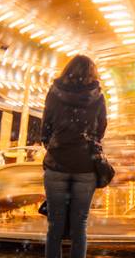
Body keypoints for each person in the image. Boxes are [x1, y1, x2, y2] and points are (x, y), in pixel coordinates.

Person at [41, 55, 107, 258]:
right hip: (85, 166)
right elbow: (101, 127)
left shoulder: (54, 93)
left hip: (56, 164)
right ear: (92, 73)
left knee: (55, 226)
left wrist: (55, 146)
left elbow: (46, 126)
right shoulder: (97, 96)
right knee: (80, 226)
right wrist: (88, 144)